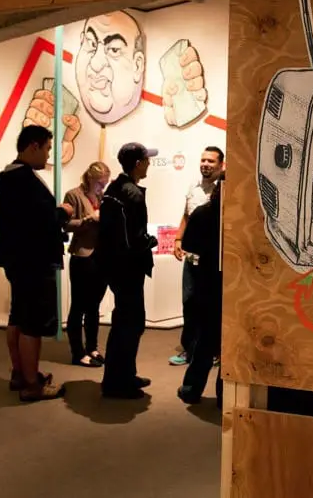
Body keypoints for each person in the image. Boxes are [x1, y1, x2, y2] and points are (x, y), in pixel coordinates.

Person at [0, 125, 73, 402]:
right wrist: (62, 212)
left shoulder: (10, 177)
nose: (49, 155)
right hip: (32, 261)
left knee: (18, 316)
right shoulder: (23, 180)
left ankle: (21, 373)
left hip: (18, 259)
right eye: (48, 148)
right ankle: (31, 384)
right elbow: (37, 222)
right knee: (32, 324)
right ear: (33, 146)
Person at [97, 142, 159, 399]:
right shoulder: (132, 194)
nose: (149, 163)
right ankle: (117, 382)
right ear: (137, 164)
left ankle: (124, 375)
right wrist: (150, 241)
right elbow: (135, 238)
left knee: (125, 321)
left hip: (116, 267)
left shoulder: (114, 188)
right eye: (146, 159)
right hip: (129, 268)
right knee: (130, 324)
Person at [169, 146, 226, 367]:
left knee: (211, 305)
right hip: (191, 258)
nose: (206, 164)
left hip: (213, 261)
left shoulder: (224, 189)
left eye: (211, 161)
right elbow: (186, 215)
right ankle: (189, 349)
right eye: (203, 160)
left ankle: (213, 350)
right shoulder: (193, 186)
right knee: (189, 302)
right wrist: (177, 239)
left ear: (221, 165)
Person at [177, 173, 225, 407]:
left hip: (207, 285)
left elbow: (189, 246)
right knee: (230, 345)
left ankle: (191, 389)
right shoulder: (244, 217)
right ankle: (224, 395)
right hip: (234, 287)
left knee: (204, 342)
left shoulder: (203, 213)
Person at [63, 161, 111, 367]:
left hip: (101, 256)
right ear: (90, 178)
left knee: (94, 306)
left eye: (105, 184)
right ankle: (77, 352)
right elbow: (65, 224)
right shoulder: (73, 195)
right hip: (82, 256)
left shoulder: (103, 196)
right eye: (100, 183)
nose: (102, 187)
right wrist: (89, 219)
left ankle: (92, 347)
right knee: (79, 306)